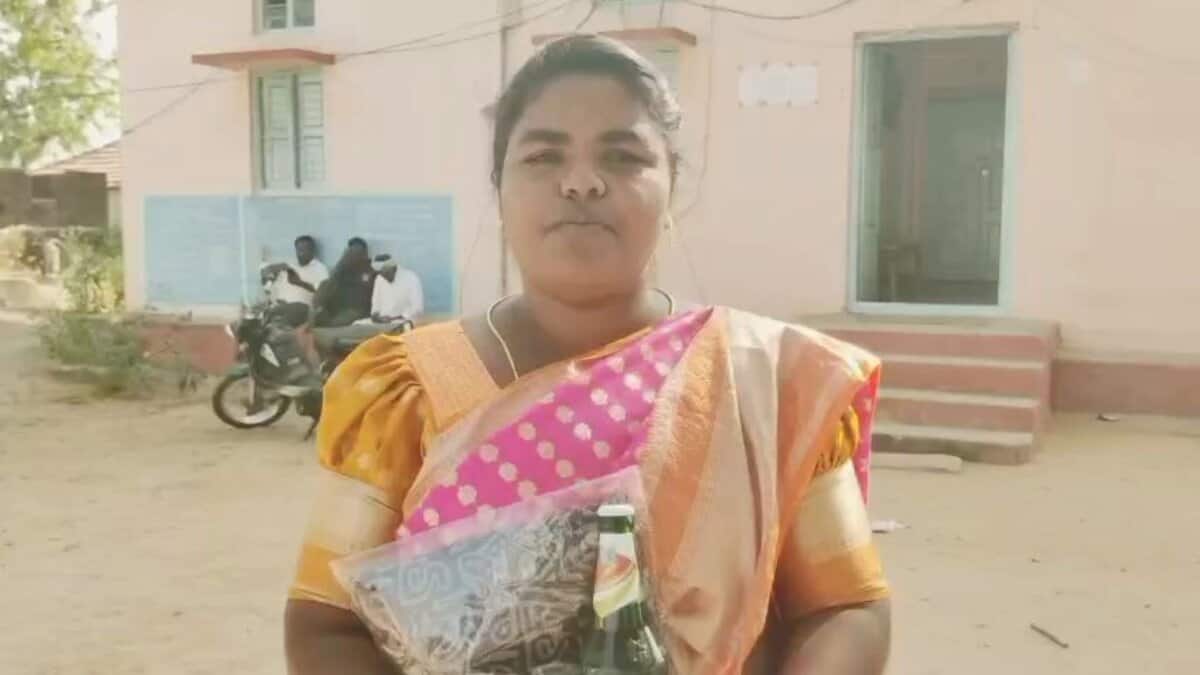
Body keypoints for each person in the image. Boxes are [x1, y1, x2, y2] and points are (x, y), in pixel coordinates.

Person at [285, 36, 890, 675]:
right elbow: (326, 625)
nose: (581, 182)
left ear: (672, 186)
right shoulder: (406, 387)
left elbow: (845, 606)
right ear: (499, 188)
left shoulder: (768, 381)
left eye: (623, 156)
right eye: (544, 156)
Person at [265, 235, 330, 327]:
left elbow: (323, 293)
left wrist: (299, 283)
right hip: (280, 306)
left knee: (290, 311)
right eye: (299, 250)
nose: (301, 253)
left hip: (302, 309)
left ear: (312, 250)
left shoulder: (320, 269)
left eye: (305, 250)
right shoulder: (290, 266)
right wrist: (270, 269)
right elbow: (265, 274)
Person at [313, 237, 375, 328]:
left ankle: (329, 324)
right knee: (325, 283)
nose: (353, 254)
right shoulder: (343, 268)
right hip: (336, 306)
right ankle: (319, 314)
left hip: (356, 309)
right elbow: (330, 282)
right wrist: (342, 265)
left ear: (364, 254)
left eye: (357, 252)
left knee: (347, 316)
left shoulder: (370, 271)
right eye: (351, 251)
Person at [367, 254, 424, 323]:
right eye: (381, 274)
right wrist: (376, 317)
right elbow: (376, 304)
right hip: (383, 322)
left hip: (405, 321)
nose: (385, 277)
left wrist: (395, 318)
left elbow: (417, 308)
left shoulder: (411, 278)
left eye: (387, 273)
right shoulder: (379, 279)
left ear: (394, 268)